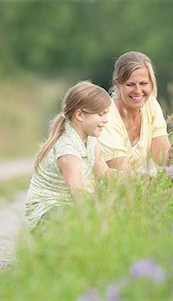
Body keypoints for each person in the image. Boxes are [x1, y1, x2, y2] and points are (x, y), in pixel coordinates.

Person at [25, 81, 111, 229]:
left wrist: (134, 182)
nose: (106, 120)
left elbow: (105, 173)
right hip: (48, 214)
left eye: (106, 114)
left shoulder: (91, 140)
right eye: (100, 114)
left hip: (69, 208)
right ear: (79, 115)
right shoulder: (67, 150)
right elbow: (78, 194)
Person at [99, 51, 173, 175]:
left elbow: (160, 157)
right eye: (130, 84)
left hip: (140, 178)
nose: (138, 91)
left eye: (143, 83)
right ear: (117, 84)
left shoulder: (150, 104)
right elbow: (122, 173)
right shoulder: (105, 118)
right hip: (111, 185)